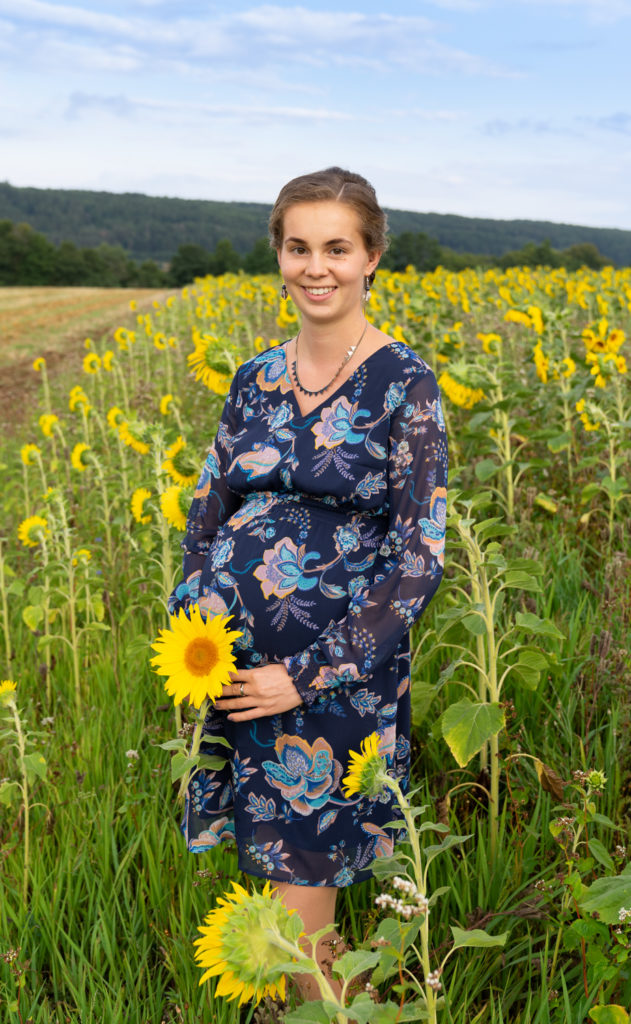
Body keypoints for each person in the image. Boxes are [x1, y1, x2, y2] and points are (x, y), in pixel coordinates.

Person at [168, 166, 448, 998]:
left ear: (371, 258)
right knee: (267, 882)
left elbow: (417, 557)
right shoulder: (253, 376)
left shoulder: (405, 384)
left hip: (328, 678)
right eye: (298, 247)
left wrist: (304, 675)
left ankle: (318, 1016)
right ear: (279, 255)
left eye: (336, 247)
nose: (314, 267)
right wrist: (196, 632)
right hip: (234, 669)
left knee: (299, 894)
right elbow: (205, 513)